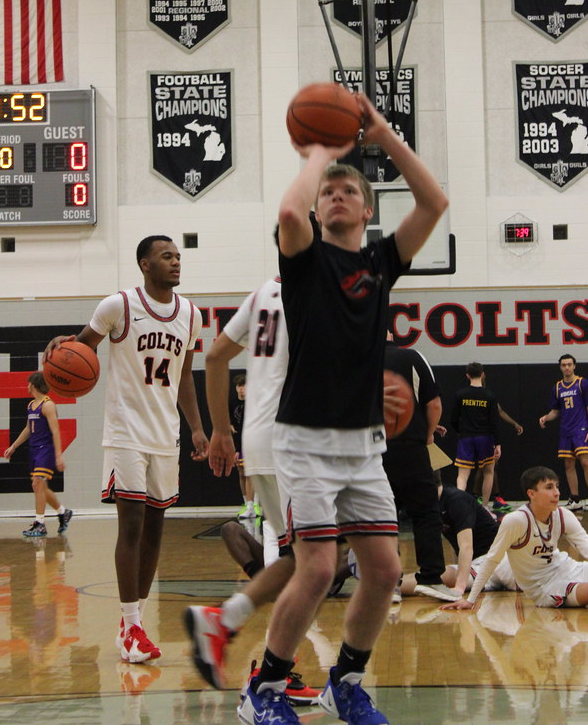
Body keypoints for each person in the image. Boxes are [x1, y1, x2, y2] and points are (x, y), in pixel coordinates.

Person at [218, 91, 447, 725]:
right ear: (319, 208)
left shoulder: (380, 262)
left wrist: (381, 134)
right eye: (329, 192)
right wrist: (321, 151)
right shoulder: (304, 260)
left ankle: (344, 682)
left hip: (363, 441)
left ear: (368, 209)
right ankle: (261, 691)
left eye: (348, 191)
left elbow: (435, 202)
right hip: (305, 439)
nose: (336, 195)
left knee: (383, 569)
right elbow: (290, 208)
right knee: (318, 567)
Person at [43, 235, 209, 664]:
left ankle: (130, 626)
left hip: (164, 433)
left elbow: (186, 377)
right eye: (165, 256)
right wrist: (62, 346)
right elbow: (80, 350)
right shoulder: (117, 305)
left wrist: (196, 428)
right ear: (144, 263)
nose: (175, 262)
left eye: (177, 256)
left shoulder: (190, 313)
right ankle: (132, 624)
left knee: (155, 529)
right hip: (125, 433)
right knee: (131, 523)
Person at [184, 276, 319, 705]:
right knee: (315, 560)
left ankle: (257, 653)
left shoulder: (265, 291)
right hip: (293, 441)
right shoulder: (323, 287)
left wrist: (224, 430)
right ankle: (265, 669)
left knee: (310, 558)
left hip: (266, 439)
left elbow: (217, 354)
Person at [449, 466, 588, 612]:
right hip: (544, 589)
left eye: (557, 487)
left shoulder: (563, 515)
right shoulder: (515, 521)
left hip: (567, 568)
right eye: (549, 487)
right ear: (531, 493)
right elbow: (492, 560)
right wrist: (470, 600)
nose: (556, 492)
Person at [382, 332, 451, 600]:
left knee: (383, 519)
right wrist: (428, 434)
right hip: (411, 449)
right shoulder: (412, 357)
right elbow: (434, 403)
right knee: (425, 513)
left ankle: (390, 585)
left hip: (372, 452)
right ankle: (432, 578)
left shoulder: (357, 360)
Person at [400, 469, 517, 598]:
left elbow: (466, 546)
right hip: (477, 565)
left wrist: (459, 588)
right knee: (439, 576)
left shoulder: (457, 500)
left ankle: (387, 588)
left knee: (442, 578)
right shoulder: (431, 506)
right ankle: (387, 587)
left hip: (498, 560)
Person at [4, 371, 73, 538]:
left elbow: (56, 431)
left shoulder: (48, 405)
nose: (27, 386)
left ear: (34, 385)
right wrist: (13, 446)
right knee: (39, 486)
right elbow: (28, 429)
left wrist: (58, 455)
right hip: (34, 449)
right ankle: (63, 512)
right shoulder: (31, 405)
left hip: (45, 449)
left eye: (29, 383)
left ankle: (40, 523)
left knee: (37, 484)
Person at [539, 353, 588, 511]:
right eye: (564, 365)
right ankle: (575, 498)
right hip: (566, 429)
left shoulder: (582, 383)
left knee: (585, 461)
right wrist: (546, 417)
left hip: (581, 428)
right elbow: (556, 411)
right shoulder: (557, 387)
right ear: (560, 367)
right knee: (568, 464)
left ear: (574, 366)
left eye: (569, 364)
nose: (567, 367)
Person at [451, 362, 501, 508]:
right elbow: (494, 422)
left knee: (462, 475)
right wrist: (497, 443)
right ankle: (484, 507)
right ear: (483, 374)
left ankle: (459, 507)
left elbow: (453, 419)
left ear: (467, 375)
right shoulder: (490, 396)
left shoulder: (460, 394)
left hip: (466, 437)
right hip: (485, 438)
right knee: (488, 472)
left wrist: (461, 431)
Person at [231, 373, 260, 520]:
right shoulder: (232, 403)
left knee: (250, 473)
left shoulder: (254, 403)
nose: (241, 389)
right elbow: (232, 426)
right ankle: (247, 504)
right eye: (239, 386)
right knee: (241, 472)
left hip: (252, 443)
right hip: (238, 444)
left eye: (244, 386)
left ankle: (252, 505)